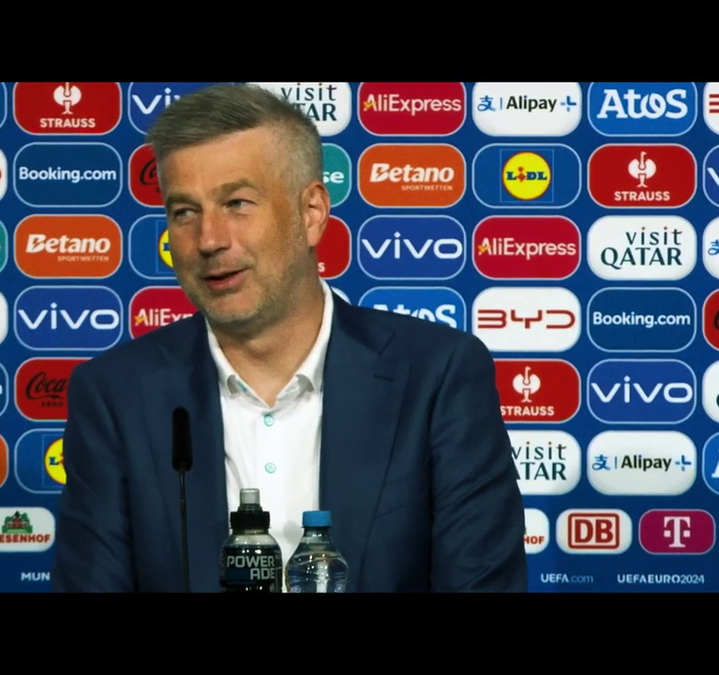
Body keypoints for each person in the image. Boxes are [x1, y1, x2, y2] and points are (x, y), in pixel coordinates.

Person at [51, 83, 527, 592]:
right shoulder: (115, 393)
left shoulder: (437, 375)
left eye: (237, 203)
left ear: (312, 213)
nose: (208, 240)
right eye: (184, 211)